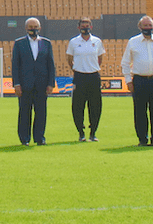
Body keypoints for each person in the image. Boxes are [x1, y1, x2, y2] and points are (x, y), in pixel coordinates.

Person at [121, 15, 153, 146]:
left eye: (150, 25)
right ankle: (142, 139)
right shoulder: (133, 41)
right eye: (145, 26)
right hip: (139, 81)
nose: (148, 28)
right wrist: (128, 81)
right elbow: (125, 63)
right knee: (140, 111)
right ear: (140, 27)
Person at [11, 17, 56, 146]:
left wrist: (50, 83)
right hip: (25, 85)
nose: (33, 29)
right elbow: (15, 65)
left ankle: (40, 138)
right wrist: (17, 84)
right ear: (26, 28)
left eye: (35, 27)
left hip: (42, 84)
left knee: (41, 112)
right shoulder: (19, 43)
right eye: (30, 27)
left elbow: (50, 65)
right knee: (24, 112)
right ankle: (24, 139)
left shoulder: (46, 43)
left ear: (40, 28)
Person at [66, 16, 105, 142]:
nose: (85, 27)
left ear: (91, 27)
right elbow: (69, 58)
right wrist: (76, 68)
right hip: (79, 76)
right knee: (77, 106)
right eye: (82, 25)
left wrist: (93, 67)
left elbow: (100, 57)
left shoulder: (97, 41)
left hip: (93, 76)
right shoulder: (73, 42)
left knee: (95, 106)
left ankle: (93, 132)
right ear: (78, 27)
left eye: (87, 25)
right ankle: (81, 132)